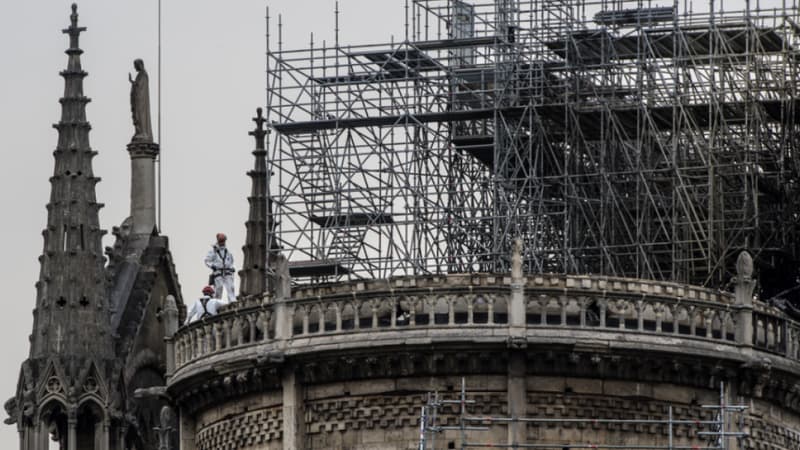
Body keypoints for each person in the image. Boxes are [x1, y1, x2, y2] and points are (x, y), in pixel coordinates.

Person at [204, 233, 236, 301]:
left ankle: (232, 301)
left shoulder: (227, 251)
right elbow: (207, 261)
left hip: (227, 271)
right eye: (221, 241)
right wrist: (212, 266)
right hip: (218, 272)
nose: (222, 242)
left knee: (231, 287)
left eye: (223, 241)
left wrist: (232, 267)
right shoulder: (213, 251)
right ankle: (217, 302)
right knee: (219, 288)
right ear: (218, 241)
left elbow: (231, 261)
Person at [128, 58, 153, 142]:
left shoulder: (143, 75)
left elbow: (140, 87)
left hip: (141, 101)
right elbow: (137, 85)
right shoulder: (140, 75)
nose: (135, 68)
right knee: (137, 115)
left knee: (141, 115)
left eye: (135, 66)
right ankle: (139, 131)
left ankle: (143, 132)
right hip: (138, 100)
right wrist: (133, 82)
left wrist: (133, 83)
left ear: (139, 65)